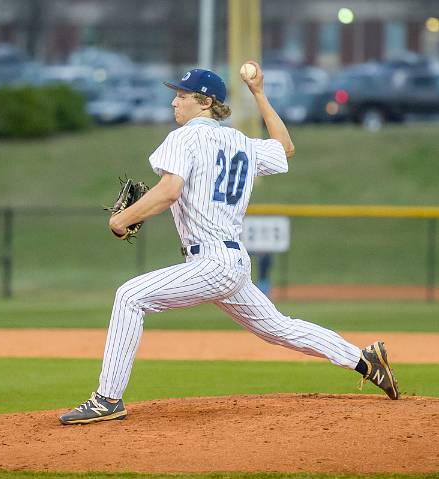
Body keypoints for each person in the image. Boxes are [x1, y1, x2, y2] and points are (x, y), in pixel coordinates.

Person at [59, 62, 399, 425]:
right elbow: (285, 148)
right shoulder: (240, 142)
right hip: (231, 264)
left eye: (182, 96)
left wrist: (120, 220)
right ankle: (364, 360)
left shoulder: (185, 138)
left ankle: (107, 399)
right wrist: (259, 93)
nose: (175, 103)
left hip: (212, 263)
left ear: (205, 103)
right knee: (278, 328)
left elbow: (169, 191)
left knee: (130, 297)